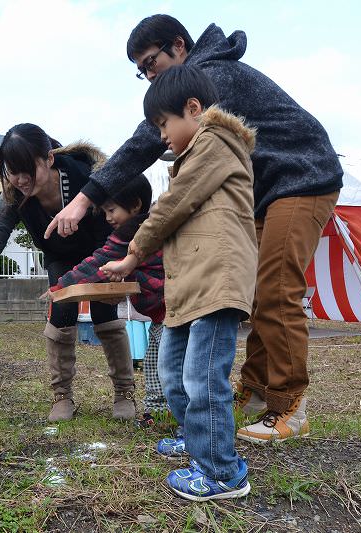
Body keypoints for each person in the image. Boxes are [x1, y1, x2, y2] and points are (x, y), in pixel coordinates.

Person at [47, 14, 343, 444]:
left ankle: (289, 405)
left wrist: (85, 199)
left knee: (278, 289)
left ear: (179, 47)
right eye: (141, 71)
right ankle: (258, 392)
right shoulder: (197, 92)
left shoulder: (211, 78)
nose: (149, 77)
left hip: (302, 179)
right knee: (258, 292)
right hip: (268, 191)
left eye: (151, 63)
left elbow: (147, 152)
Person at [0, 123, 136, 423]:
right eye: (12, 171)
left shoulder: (86, 176)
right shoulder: (14, 196)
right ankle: (62, 396)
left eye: (27, 169)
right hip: (60, 257)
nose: (20, 179)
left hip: (102, 250)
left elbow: (124, 217)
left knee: (105, 314)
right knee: (61, 315)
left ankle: (124, 392)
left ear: (49, 159)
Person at [103, 65, 257, 501]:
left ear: (194, 109)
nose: (162, 135)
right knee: (172, 372)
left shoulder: (216, 142)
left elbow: (172, 205)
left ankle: (222, 472)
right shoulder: (192, 155)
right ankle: (198, 442)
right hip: (189, 285)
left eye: (164, 124)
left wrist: (132, 253)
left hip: (216, 279)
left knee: (203, 377)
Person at [45, 174, 169, 426]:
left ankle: (169, 410)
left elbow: (99, 261)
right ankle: (157, 412)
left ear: (134, 205)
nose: (107, 217)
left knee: (168, 365)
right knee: (156, 361)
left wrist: (62, 284)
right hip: (162, 313)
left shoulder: (130, 232)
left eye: (111, 210)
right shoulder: (155, 225)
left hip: (173, 310)